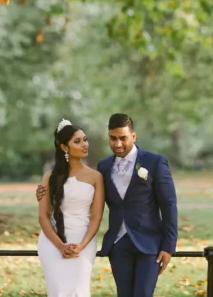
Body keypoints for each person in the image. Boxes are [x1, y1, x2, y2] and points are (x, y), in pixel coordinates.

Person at [37, 113, 179, 297]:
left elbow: (169, 205)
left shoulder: (155, 162)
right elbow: (70, 192)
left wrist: (168, 247)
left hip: (149, 243)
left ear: (133, 136)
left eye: (123, 138)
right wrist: (42, 192)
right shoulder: (103, 167)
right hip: (118, 244)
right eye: (113, 138)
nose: (118, 144)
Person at [37, 120, 105, 297]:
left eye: (85, 139)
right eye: (77, 141)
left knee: (79, 291)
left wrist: (81, 245)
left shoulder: (96, 177)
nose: (84, 144)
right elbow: (43, 217)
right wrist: (60, 246)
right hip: (53, 242)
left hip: (84, 241)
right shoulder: (50, 177)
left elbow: (96, 217)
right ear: (64, 147)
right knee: (58, 292)